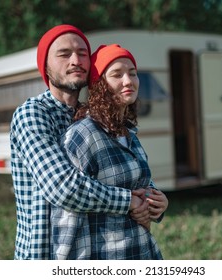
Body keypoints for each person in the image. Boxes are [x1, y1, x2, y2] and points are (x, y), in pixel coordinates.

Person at [10, 25, 150, 260]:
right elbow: (63, 188)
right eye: (64, 54)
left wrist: (153, 197)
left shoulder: (93, 118)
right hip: (44, 252)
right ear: (44, 65)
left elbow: (123, 170)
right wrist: (130, 201)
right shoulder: (33, 114)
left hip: (94, 249)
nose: (76, 60)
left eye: (83, 53)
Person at [52, 44, 169, 260]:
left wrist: (157, 203)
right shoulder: (84, 134)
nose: (128, 81)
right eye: (117, 74)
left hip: (142, 252)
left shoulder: (129, 133)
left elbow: (139, 186)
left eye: (133, 73)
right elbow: (67, 211)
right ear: (99, 84)